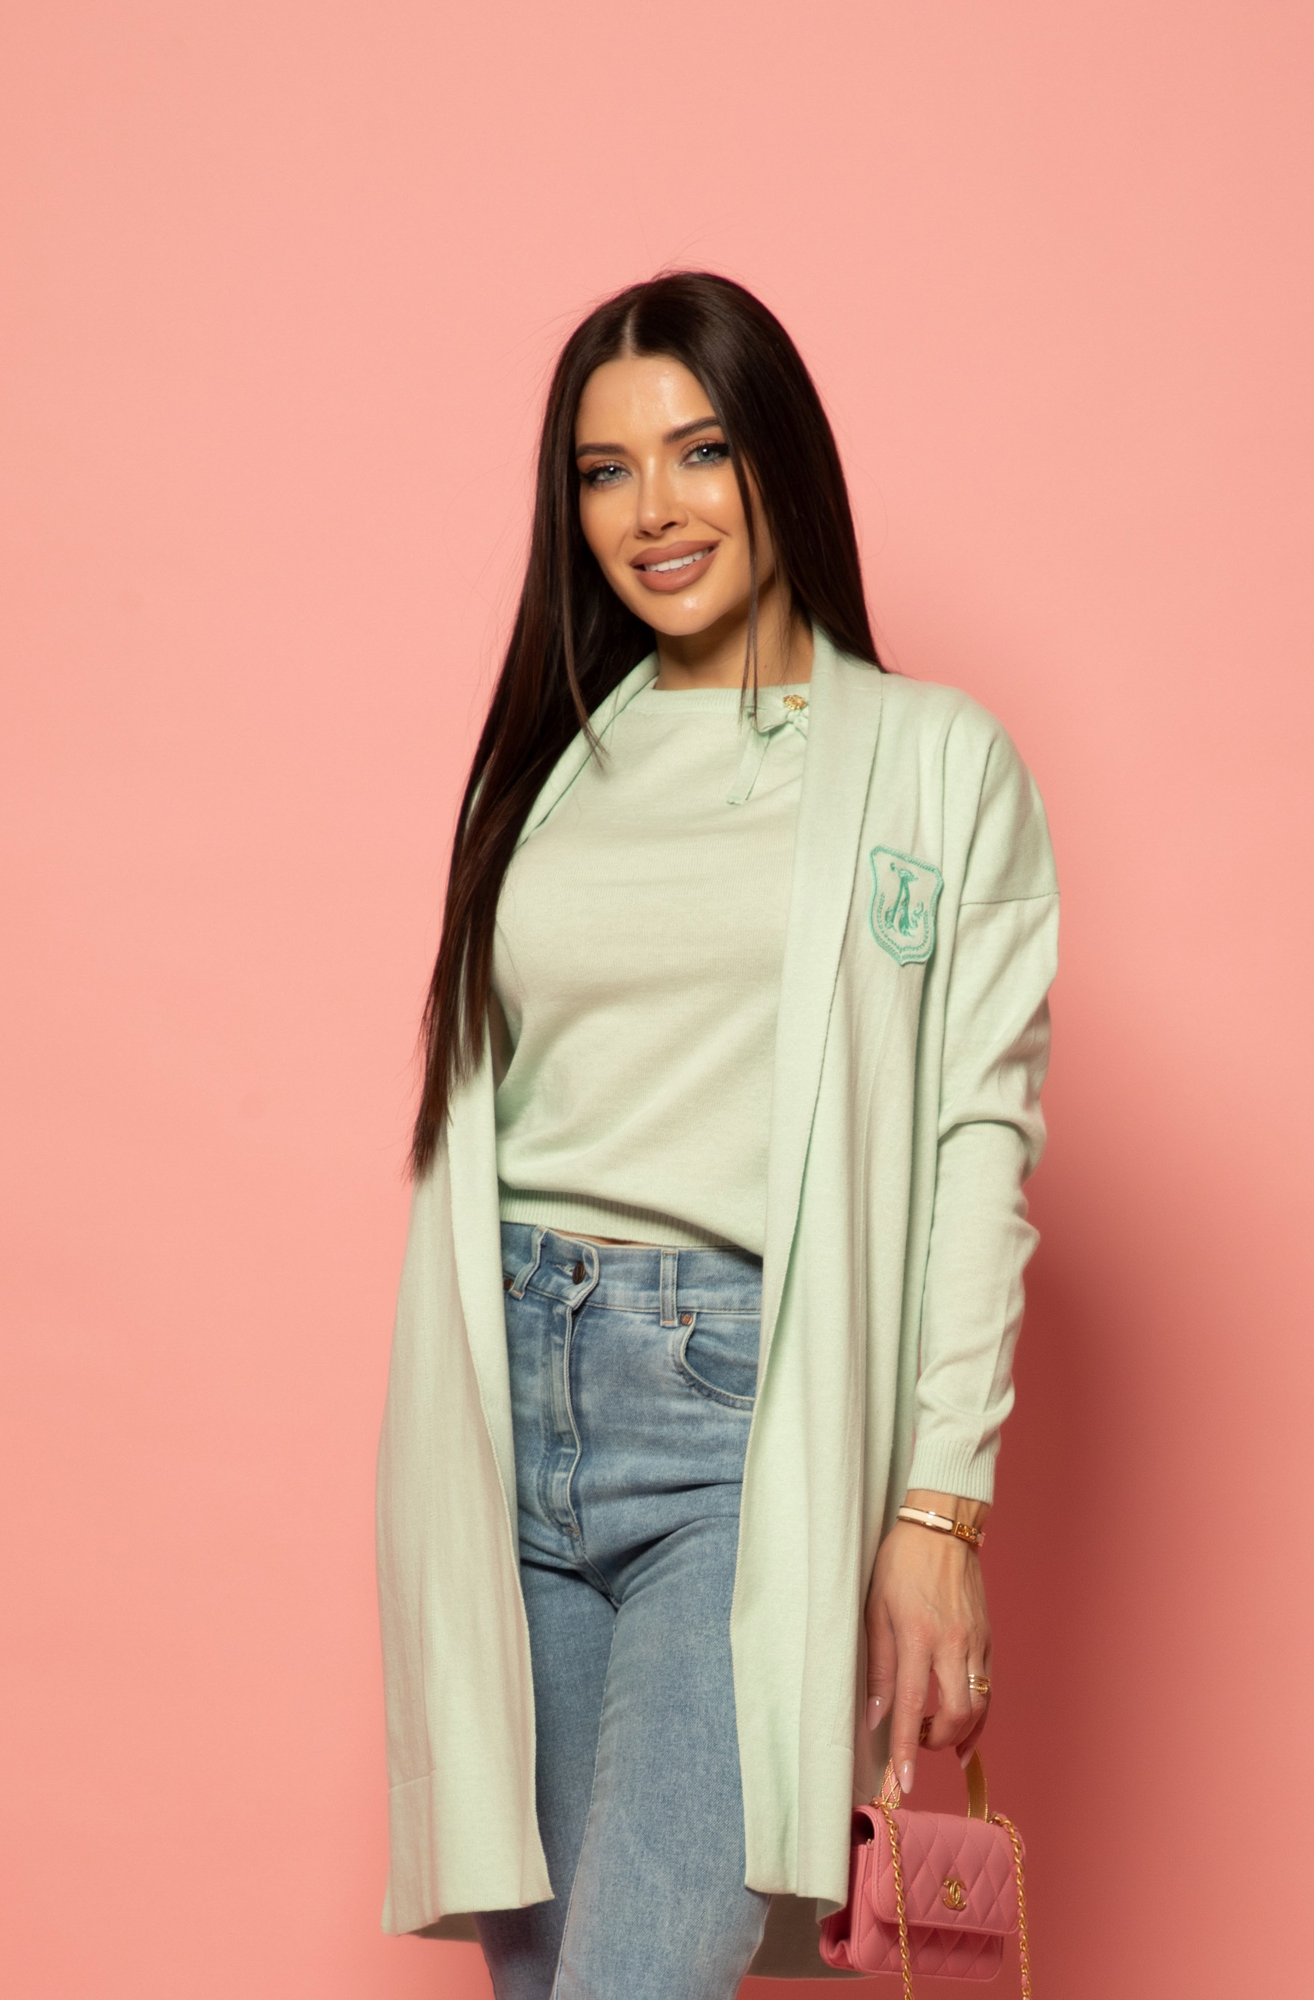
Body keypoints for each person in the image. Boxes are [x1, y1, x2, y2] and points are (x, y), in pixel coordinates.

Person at [376, 271, 1058, 1999]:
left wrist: (938, 1512)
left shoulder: (930, 762)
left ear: (777, 460)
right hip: (506, 1405)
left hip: (736, 1426)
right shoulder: (545, 762)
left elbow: (976, 1140)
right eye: (603, 472)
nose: (652, 512)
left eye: (697, 452)